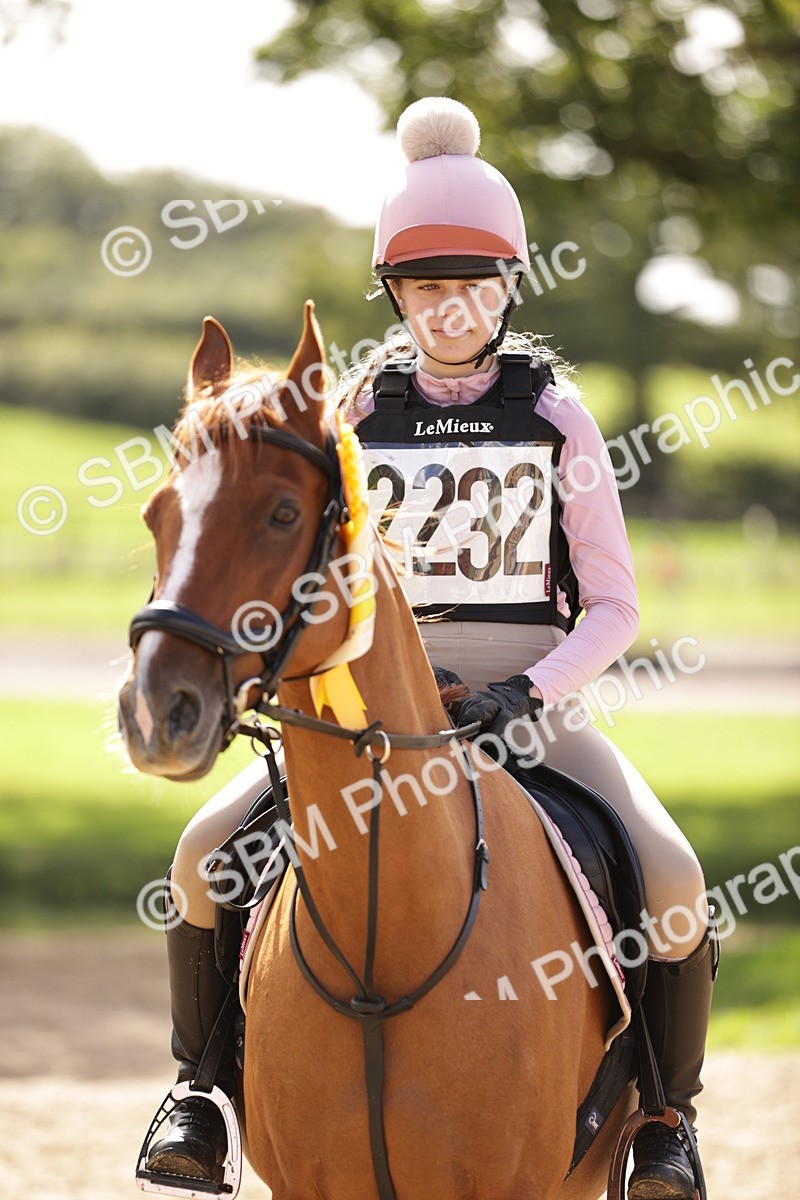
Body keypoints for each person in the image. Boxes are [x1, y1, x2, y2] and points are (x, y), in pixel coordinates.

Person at [142, 97, 715, 1200]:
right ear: (395, 296)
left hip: (529, 706)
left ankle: (660, 1121)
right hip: (371, 713)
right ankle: (200, 1094)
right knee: (199, 865)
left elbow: (612, 609)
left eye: (472, 282)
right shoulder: (354, 411)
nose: (449, 307)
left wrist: (525, 696)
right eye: (423, 287)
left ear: (507, 286)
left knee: (674, 880)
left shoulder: (557, 415)